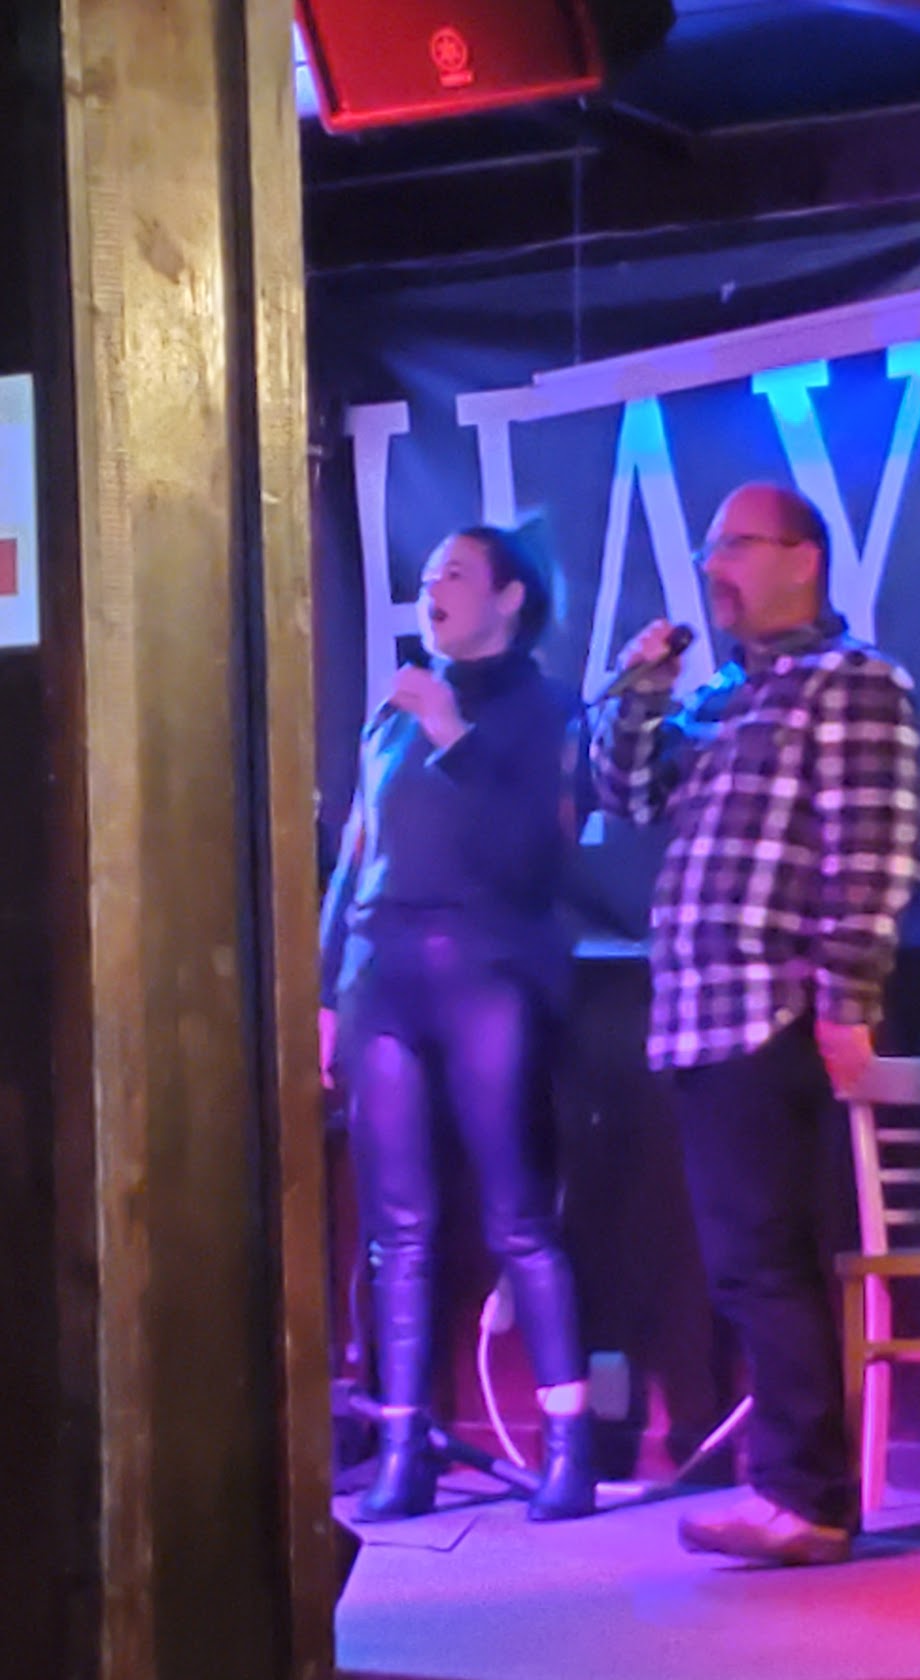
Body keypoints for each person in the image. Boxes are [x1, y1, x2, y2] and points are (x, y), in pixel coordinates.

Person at [590, 482, 920, 1565]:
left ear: (803, 558)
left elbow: (872, 849)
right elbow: (627, 794)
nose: (713, 568)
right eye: (708, 549)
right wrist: (641, 689)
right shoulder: (723, 697)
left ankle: (806, 1497)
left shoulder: (854, 683)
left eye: (734, 546)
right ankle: (791, 1488)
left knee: (769, 1259)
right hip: (698, 1015)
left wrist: (846, 1001)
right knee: (744, 1262)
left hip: (771, 1006)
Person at [320, 525, 595, 1523]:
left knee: (518, 1214)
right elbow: (355, 855)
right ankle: (403, 1448)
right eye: (429, 572)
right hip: (381, 976)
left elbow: (533, 856)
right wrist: (326, 992)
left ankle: (569, 1448)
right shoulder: (391, 715)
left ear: (510, 598)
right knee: (395, 1226)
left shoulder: (546, 711)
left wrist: (453, 735)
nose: (432, 586)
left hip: (489, 971)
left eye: (457, 573)